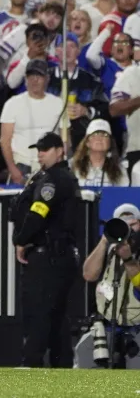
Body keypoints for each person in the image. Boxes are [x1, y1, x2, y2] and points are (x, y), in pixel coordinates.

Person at [11, 132, 81, 368]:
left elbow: (38, 214)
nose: (40, 154)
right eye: (38, 150)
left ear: (60, 151)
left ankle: (32, 363)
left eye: (46, 149)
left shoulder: (53, 180)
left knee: (38, 312)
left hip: (48, 256)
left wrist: (21, 241)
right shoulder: (60, 177)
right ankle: (62, 367)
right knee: (57, 315)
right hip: (62, 255)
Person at [79, 203, 140, 368]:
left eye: (132, 224)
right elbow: (89, 275)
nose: (128, 230)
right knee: (83, 355)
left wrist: (128, 259)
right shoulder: (108, 250)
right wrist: (105, 240)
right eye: (123, 224)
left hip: (136, 328)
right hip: (105, 326)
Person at [0, 59, 63, 184]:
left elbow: (65, 140)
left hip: (49, 166)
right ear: (25, 79)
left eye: (39, 76)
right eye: (31, 76)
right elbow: (5, 141)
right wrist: (13, 169)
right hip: (21, 165)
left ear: (47, 79)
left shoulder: (58, 103)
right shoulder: (12, 103)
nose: (34, 80)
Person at [69, 119, 129, 187]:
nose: (99, 138)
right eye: (95, 134)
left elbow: (123, 192)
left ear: (110, 143)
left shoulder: (120, 169)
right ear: (87, 142)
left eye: (105, 135)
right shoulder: (73, 166)